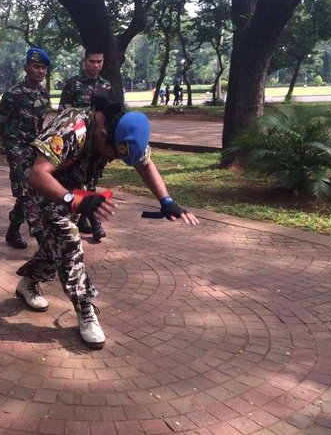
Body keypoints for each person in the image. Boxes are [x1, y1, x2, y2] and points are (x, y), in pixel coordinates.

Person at [15, 93, 199, 349]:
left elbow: (144, 163)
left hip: (74, 189)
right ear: (102, 135)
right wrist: (75, 200)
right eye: (113, 155)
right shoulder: (72, 129)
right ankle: (85, 308)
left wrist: (166, 201)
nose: (112, 159)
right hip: (41, 186)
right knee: (68, 240)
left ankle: (28, 282)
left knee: (56, 246)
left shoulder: (123, 130)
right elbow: (37, 174)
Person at [0, 47, 49, 249]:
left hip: (34, 148)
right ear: (26, 68)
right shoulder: (14, 94)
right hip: (16, 147)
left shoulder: (44, 93)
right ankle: (40, 235)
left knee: (31, 187)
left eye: (43, 68)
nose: (40, 71)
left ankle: (13, 230)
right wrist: (11, 144)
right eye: (36, 67)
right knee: (25, 189)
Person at [58, 48, 115, 242]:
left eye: (99, 61)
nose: (96, 65)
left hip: (96, 144)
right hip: (78, 143)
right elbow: (63, 114)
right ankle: (81, 220)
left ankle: (92, 222)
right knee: (76, 181)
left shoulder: (106, 86)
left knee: (92, 182)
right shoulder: (73, 84)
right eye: (92, 61)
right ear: (84, 62)